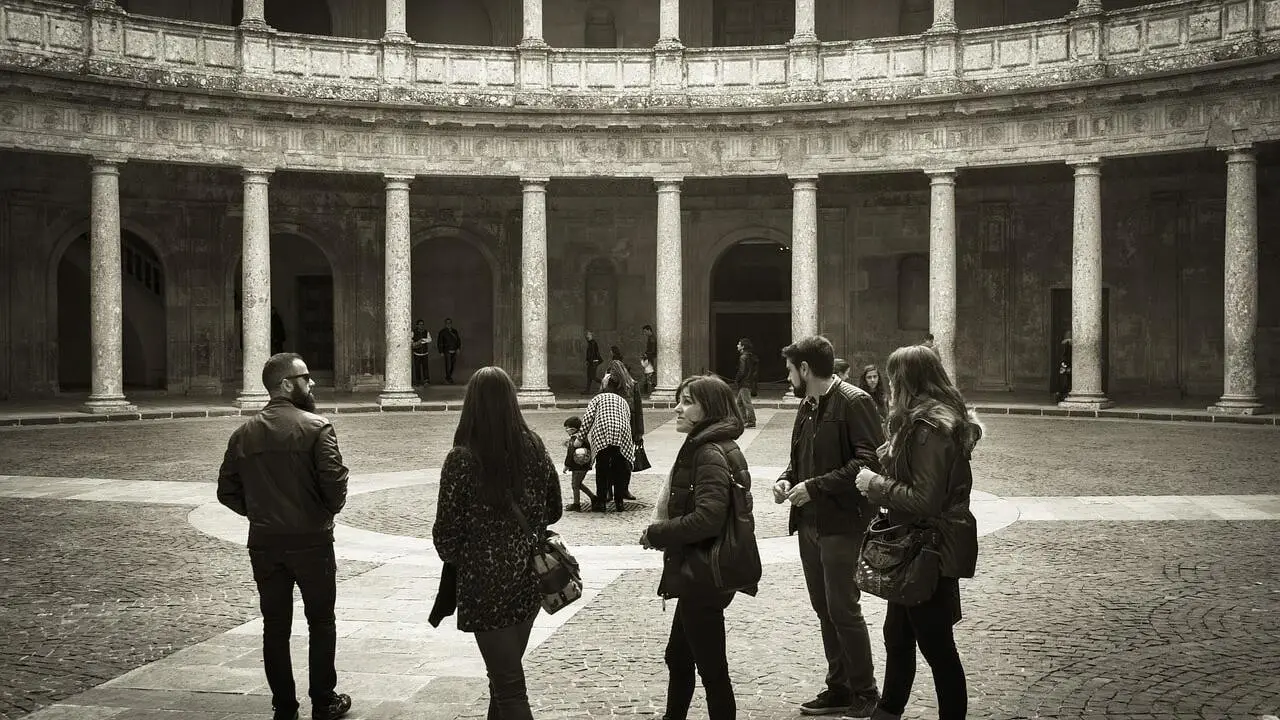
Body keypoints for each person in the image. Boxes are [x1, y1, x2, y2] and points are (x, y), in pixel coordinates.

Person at [217, 353, 352, 720]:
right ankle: (324, 701)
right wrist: (317, 512)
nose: (312, 384)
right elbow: (335, 490)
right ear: (286, 384)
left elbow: (226, 491)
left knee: (275, 626)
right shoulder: (318, 427)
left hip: (266, 543)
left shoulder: (243, 433)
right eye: (306, 377)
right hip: (312, 541)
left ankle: (284, 707)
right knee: (321, 621)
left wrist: (261, 513)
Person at [854, 345, 981, 720]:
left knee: (937, 646)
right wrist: (892, 459)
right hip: (918, 546)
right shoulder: (926, 425)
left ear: (909, 381)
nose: (890, 386)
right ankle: (888, 710)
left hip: (927, 547)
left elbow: (926, 499)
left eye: (895, 378)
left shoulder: (930, 429)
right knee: (898, 634)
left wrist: (876, 482)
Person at [432, 366, 563, 720]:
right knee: (501, 680)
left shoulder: (460, 459)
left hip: (485, 588)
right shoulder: (533, 446)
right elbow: (554, 509)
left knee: (507, 685)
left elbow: (445, 535)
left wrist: (474, 556)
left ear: (471, 404)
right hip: (528, 581)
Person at [771, 335, 884, 719]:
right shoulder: (807, 405)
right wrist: (787, 479)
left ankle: (866, 692)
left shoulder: (855, 401)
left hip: (843, 523)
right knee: (824, 608)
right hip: (810, 523)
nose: (787, 377)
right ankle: (839, 687)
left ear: (805, 369)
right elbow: (800, 459)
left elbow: (869, 463)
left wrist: (813, 487)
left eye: (790, 369)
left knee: (843, 609)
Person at [641, 374, 758, 720]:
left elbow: (708, 518)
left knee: (712, 669)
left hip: (705, 570)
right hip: (702, 568)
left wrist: (658, 533)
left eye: (688, 401)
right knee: (679, 657)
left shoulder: (708, 451)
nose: (677, 407)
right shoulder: (712, 444)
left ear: (709, 409)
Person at [580, 365, 634, 512]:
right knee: (619, 468)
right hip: (621, 434)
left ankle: (602, 501)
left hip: (602, 433)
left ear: (603, 387)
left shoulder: (597, 399)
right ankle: (619, 502)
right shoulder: (622, 401)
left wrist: (580, 437)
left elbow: (588, 419)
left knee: (602, 468)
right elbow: (627, 419)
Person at [603, 359, 644, 502]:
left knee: (626, 461)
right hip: (610, 427)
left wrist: (639, 431)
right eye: (610, 373)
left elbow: (638, 409)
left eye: (613, 373)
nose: (611, 375)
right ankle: (609, 490)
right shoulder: (607, 385)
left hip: (628, 426)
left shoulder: (632, 385)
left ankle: (624, 489)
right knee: (608, 460)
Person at [563, 415, 596, 511]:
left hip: (578, 466)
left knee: (575, 485)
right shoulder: (581, 437)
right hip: (584, 465)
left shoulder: (575, 439)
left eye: (567, 429)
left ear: (573, 429)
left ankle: (576, 504)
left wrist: (566, 465)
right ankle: (593, 497)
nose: (566, 431)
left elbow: (570, 454)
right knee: (578, 484)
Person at [733, 338, 759, 429]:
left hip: (744, 383)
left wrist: (737, 379)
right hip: (748, 382)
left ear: (743, 346)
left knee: (746, 402)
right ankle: (743, 420)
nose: (737, 346)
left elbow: (742, 371)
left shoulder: (743, 357)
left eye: (739, 344)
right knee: (739, 403)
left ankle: (751, 421)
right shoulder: (751, 356)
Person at [438, 318, 462, 384]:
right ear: (445, 324)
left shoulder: (455, 331)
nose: (448, 324)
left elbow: (458, 340)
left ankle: (448, 378)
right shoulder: (442, 332)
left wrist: (458, 348)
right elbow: (440, 342)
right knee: (448, 365)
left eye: (450, 323)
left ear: (451, 323)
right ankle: (449, 379)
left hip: (454, 350)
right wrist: (441, 351)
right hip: (446, 350)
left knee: (453, 365)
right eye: (447, 323)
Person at [412, 319, 432, 386]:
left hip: (425, 353)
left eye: (422, 324)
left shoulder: (426, 332)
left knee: (425, 368)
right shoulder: (413, 332)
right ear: (417, 325)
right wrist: (416, 343)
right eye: (420, 324)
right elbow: (410, 340)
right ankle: (418, 381)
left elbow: (429, 340)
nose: (421, 326)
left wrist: (423, 340)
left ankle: (426, 381)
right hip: (417, 353)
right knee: (417, 367)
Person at [584, 330, 603, 394]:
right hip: (591, 362)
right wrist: (587, 360)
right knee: (589, 376)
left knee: (592, 376)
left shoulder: (593, 343)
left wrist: (589, 361)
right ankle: (587, 391)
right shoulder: (590, 343)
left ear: (591, 336)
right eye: (586, 335)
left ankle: (604, 383)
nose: (587, 336)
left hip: (594, 362)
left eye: (588, 335)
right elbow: (589, 354)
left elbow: (592, 353)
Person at [1056, 332, 1073, 403]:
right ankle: (1061, 395)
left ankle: (1060, 394)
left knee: (1066, 380)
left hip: (1065, 365)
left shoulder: (1064, 344)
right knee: (1066, 381)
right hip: (1067, 365)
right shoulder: (1067, 344)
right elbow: (1066, 356)